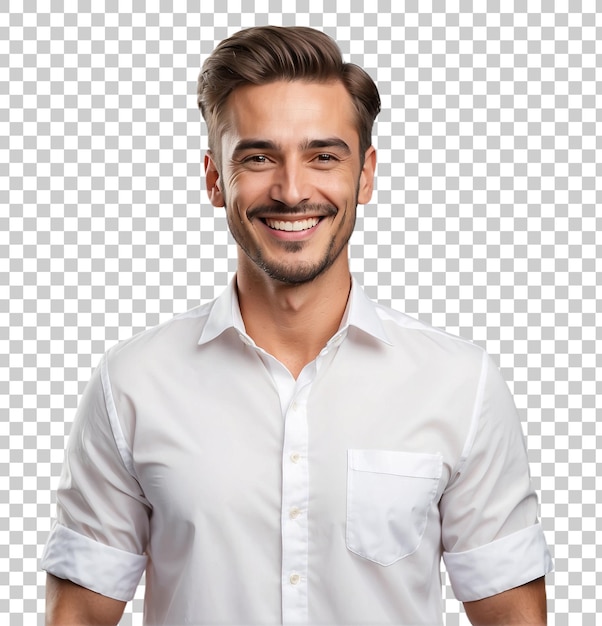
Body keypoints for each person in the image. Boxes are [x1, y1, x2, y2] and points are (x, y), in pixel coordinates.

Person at [41, 25, 553, 625]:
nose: (291, 190)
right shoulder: (132, 384)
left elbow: (513, 616)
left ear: (364, 175)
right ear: (214, 179)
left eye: (323, 156)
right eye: (258, 157)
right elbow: (78, 615)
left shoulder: (460, 385)